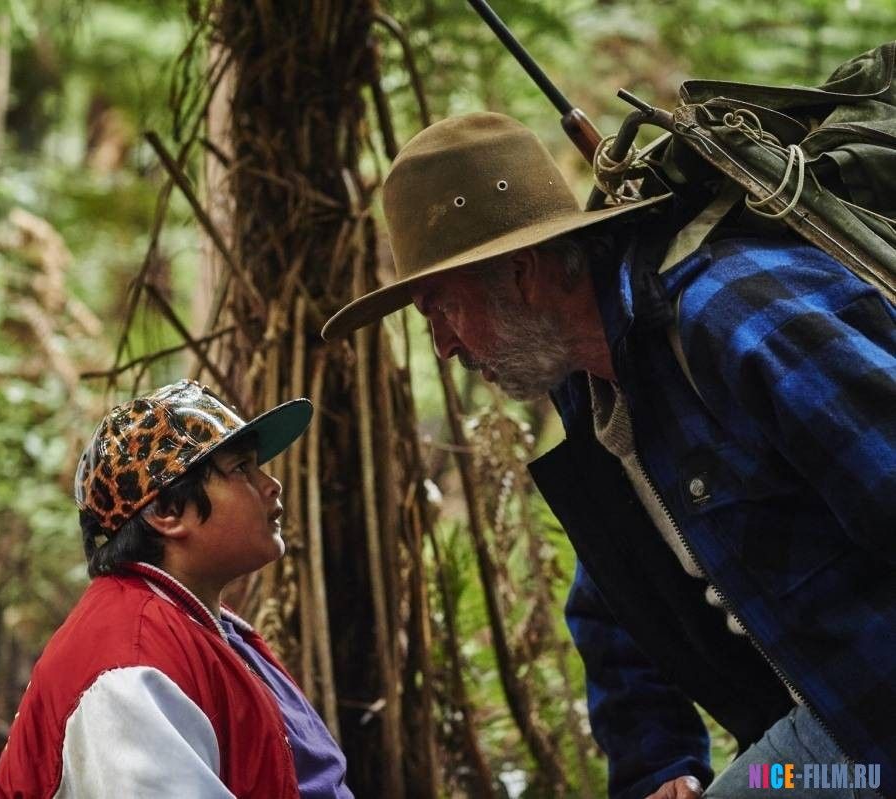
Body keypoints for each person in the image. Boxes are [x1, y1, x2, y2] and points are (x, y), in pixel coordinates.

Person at [323, 112, 895, 799]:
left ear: (522, 274)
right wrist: (661, 764)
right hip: (835, 741)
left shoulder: (734, 316)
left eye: (441, 309)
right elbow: (617, 600)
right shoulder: (590, 389)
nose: (444, 346)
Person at [0, 379, 353, 799]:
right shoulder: (128, 671)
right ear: (166, 511)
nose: (272, 484)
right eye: (241, 468)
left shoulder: (204, 627)